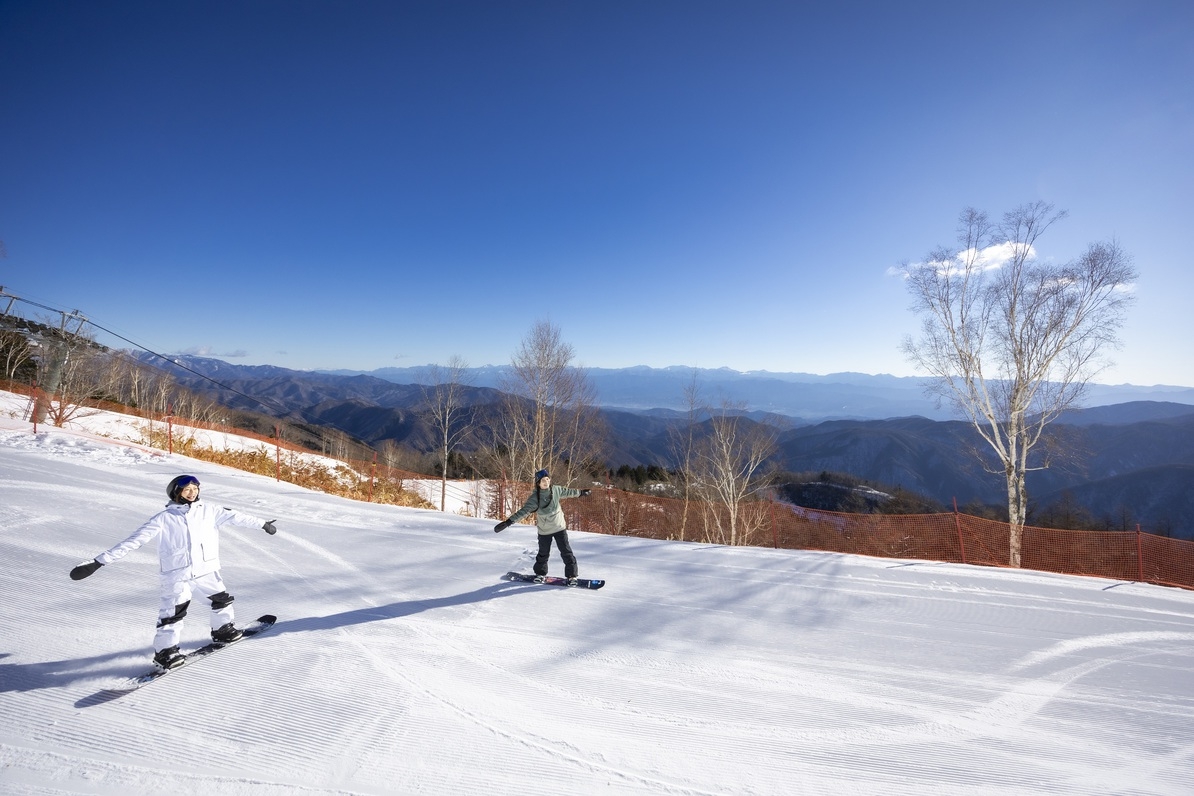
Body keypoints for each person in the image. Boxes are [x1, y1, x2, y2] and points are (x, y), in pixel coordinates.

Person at [69, 474, 278, 670]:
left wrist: (262, 524)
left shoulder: (209, 511)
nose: (192, 493)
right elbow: (133, 542)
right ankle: (165, 653)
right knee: (172, 615)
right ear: (176, 492)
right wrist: (98, 562)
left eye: (195, 488)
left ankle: (223, 631)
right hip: (178, 575)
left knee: (221, 601)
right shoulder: (163, 518)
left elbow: (238, 517)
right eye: (187, 489)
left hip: (206, 570)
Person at [494, 468, 591, 584]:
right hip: (545, 531)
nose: (546, 482)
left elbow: (569, 492)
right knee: (543, 553)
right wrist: (508, 522)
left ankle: (572, 576)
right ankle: (540, 574)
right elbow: (523, 511)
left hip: (559, 527)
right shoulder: (534, 499)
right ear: (538, 483)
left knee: (566, 552)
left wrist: (581, 493)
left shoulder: (556, 490)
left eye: (547, 479)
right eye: (543, 480)